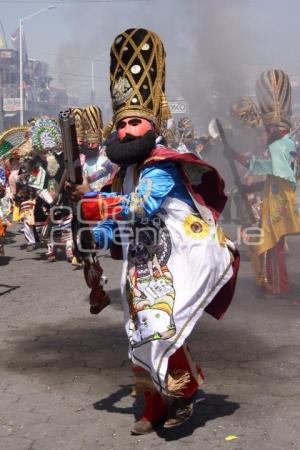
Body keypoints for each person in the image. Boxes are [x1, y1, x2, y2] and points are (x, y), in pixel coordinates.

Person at [69, 28, 239, 434]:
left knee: (163, 330)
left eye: (134, 123)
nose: (125, 131)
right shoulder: (122, 172)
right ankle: (149, 407)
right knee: (138, 335)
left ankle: (183, 393)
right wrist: (95, 235)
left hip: (178, 262)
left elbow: (142, 205)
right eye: (121, 124)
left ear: (152, 125)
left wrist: (89, 199)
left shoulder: (160, 165)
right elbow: (118, 225)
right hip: (139, 268)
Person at [231, 70, 300, 296]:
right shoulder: (278, 145)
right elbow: (261, 166)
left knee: (272, 243)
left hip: (284, 202)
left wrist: (244, 162)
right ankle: (274, 284)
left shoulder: (282, 145)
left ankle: (278, 285)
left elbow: (268, 167)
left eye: (268, 130)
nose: (264, 134)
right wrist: (236, 157)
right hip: (275, 201)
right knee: (271, 243)